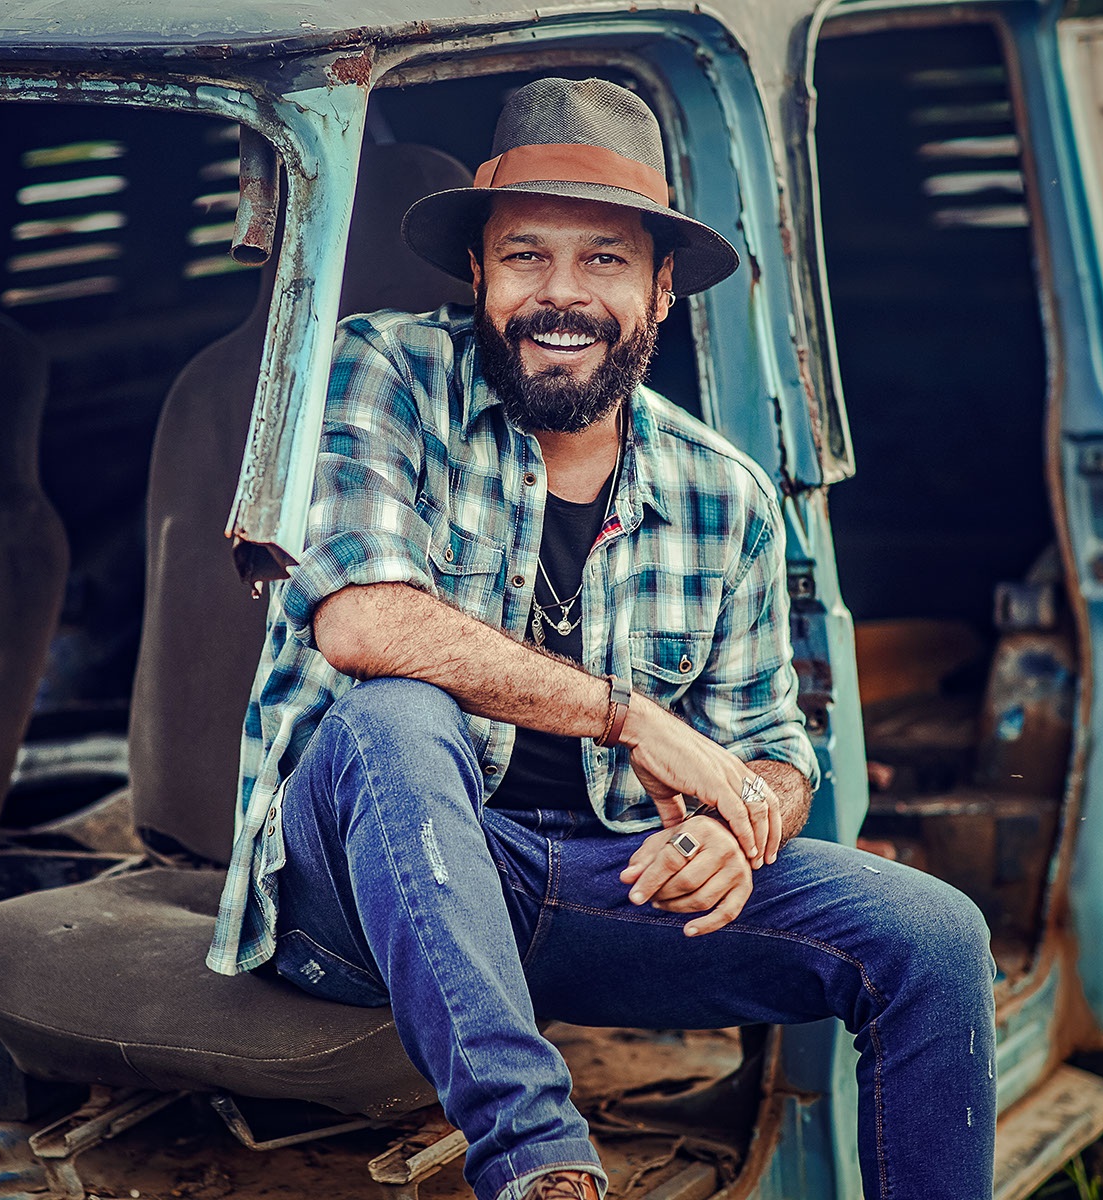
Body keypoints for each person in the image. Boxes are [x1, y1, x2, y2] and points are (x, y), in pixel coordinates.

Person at [205, 77, 996, 1200]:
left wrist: (743, 826)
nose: (559, 295)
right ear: (476, 271)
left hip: (598, 886)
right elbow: (361, 618)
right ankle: (536, 1164)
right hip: (362, 900)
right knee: (392, 713)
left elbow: (772, 745)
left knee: (931, 935)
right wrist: (628, 718)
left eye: (604, 261)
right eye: (525, 256)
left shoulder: (724, 496)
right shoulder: (378, 370)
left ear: (661, 290)